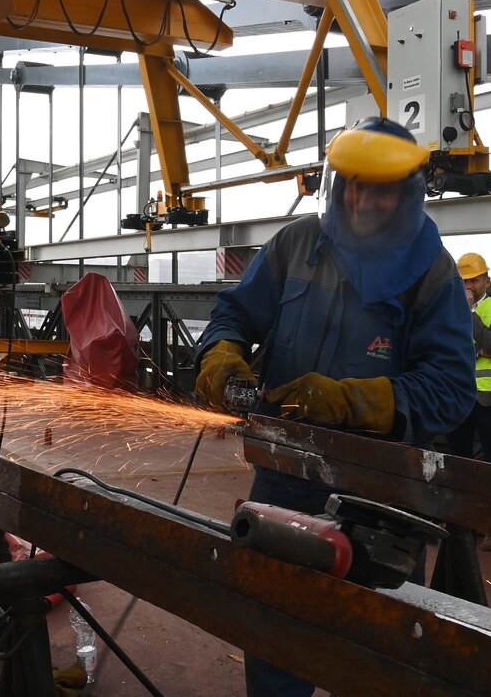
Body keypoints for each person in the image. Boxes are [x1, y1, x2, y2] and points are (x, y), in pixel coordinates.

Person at [195, 116, 475, 697]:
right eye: (352, 183)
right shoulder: (297, 244)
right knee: (277, 635)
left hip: (380, 495)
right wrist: (222, 356)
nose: (362, 199)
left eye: (379, 187)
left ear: (408, 191)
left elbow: (451, 388)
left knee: (377, 653)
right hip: (285, 480)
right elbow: (233, 314)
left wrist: (352, 401)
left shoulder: (432, 271)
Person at [448, 253, 491, 550]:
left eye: (474, 280)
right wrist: (482, 351)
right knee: (457, 461)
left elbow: (490, 341)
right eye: (463, 281)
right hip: (458, 393)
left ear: (487, 280)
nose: (469, 286)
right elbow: (447, 347)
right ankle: (458, 521)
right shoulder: (445, 309)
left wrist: (467, 312)